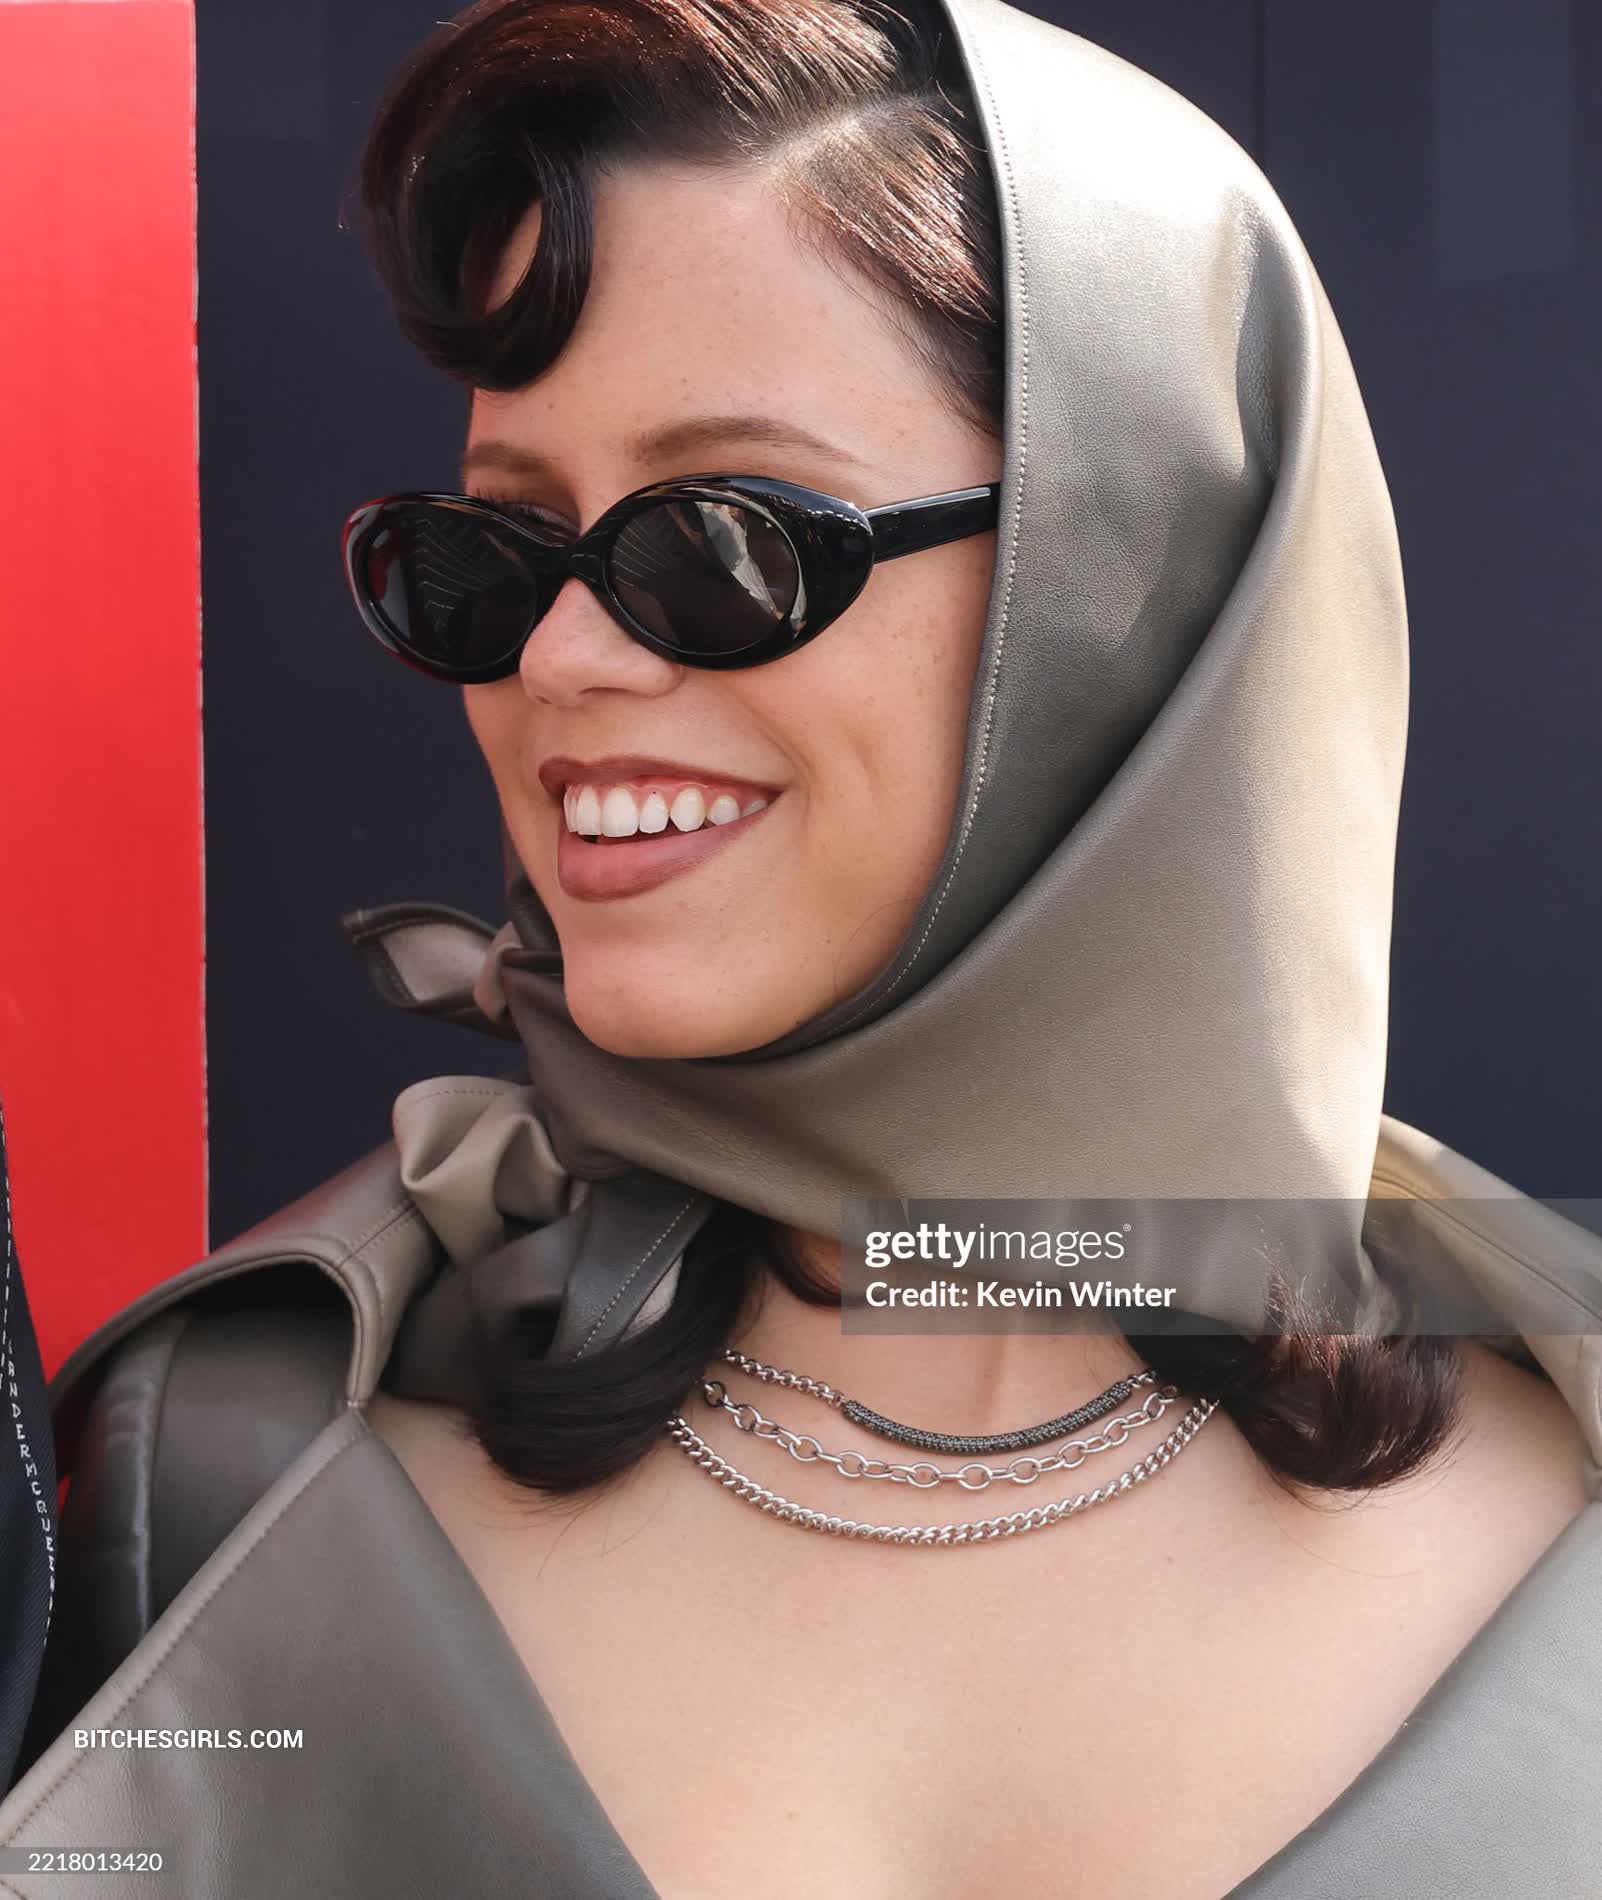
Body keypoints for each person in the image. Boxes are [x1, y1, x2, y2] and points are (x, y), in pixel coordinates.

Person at [2, 1, 1599, 1894]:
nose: (562, 660)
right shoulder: (233, 1474)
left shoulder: (1559, 1504)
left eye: (726, 544)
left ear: (1134, 588)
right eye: (491, 556)